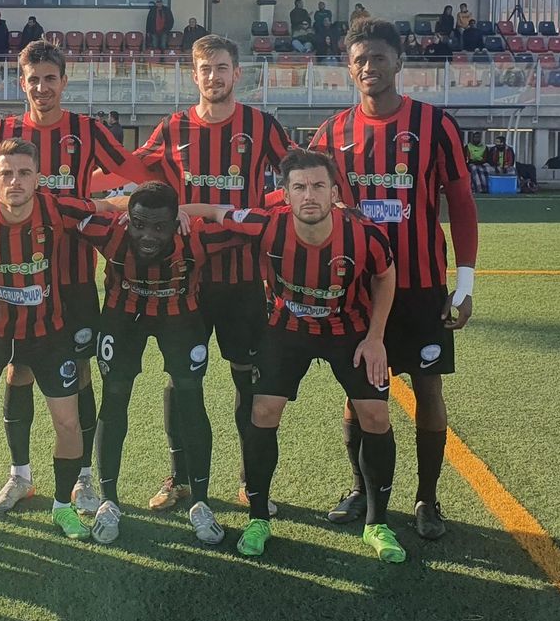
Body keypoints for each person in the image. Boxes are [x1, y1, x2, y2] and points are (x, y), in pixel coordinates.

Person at [0, 40, 150, 516]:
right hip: (7, 288)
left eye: (50, 78)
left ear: (64, 80)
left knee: (77, 374)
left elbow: (135, 173)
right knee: (16, 372)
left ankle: (81, 481)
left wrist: (115, 201)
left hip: (74, 282)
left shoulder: (87, 130)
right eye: (33, 79)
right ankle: (20, 476)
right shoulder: (5, 131)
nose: (42, 87)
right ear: (22, 83)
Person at [308, 18, 479, 541]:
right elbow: (308, 199)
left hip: (423, 285)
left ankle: (428, 498)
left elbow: (463, 204)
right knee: (359, 391)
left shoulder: (435, 125)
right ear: (349, 66)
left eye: (378, 57)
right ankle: (362, 488)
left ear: (399, 62)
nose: (368, 67)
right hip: (357, 287)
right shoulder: (333, 132)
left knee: (428, 388)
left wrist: (465, 283)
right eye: (359, 59)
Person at [188, 150, 401, 561]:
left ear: (335, 192)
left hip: (349, 329)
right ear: (284, 194)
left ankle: (378, 524)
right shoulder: (266, 224)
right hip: (288, 329)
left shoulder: (365, 233)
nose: (310, 196)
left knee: (375, 415)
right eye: (300, 187)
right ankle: (258, 518)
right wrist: (180, 210)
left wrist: (375, 338)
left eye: (319, 186)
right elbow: (215, 212)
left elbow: (385, 275)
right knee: (263, 411)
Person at [129, 34, 294, 513]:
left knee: (248, 379)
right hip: (186, 278)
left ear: (237, 73)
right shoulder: (173, 127)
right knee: (179, 379)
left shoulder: (261, 126)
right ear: (194, 74)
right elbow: (137, 175)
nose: (214, 77)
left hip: (244, 280)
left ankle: (250, 480)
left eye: (222, 68)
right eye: (205, 69)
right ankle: (179, 478)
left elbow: (298, 173)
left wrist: (264, 210)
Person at [0, 140, 125, 544]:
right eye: (6, 173)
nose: (15, 181)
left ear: (38, 178)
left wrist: (165, 209)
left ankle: (62, 506)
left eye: (24, 173)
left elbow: (108, 213)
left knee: (68, 421)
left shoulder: (57, 208)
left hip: (48, 333)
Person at [72, 181, 251, 545]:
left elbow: (252, 223)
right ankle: (109, 500)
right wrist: (113, 204)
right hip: (123, 318)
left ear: (177, 222)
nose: (147, 235)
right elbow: (61, 209)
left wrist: (203, 211)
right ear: (128, 220)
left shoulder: (197, 238)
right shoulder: (111, 234)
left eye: (159, 226)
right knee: (115, 398)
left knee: (190, 396)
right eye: (138, 224)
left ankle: (200, 502)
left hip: (180, 317)